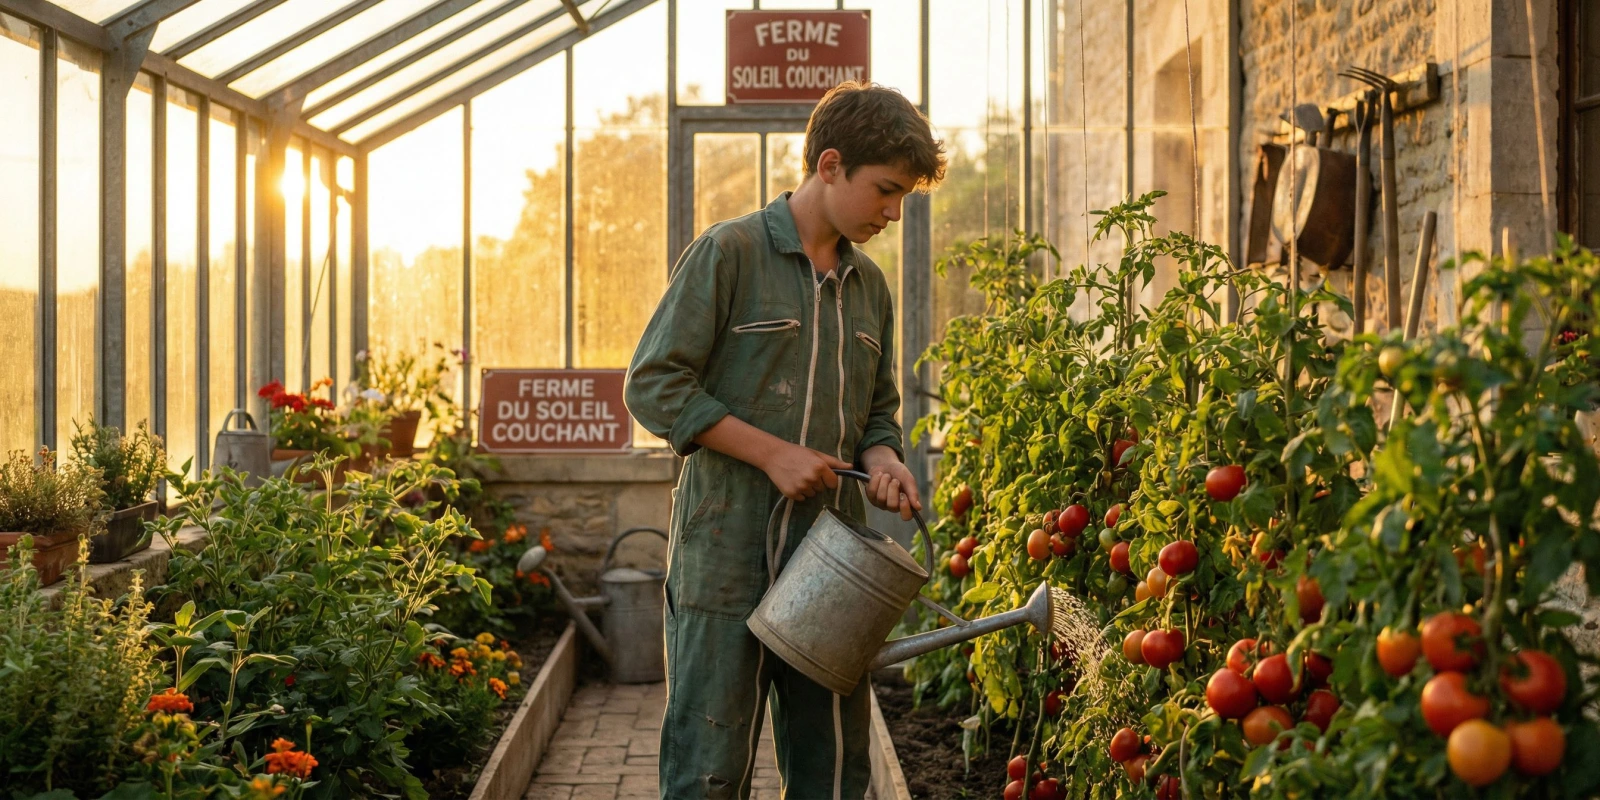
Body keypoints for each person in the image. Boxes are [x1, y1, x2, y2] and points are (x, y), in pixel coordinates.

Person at [624, 81, 946, 799]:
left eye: (903, 198)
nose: (894, 213)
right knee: (709, 769)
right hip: (724, 556)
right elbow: (653, 384)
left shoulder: (870, 288)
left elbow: (879, 412)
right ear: (830, 166)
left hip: (834, 565)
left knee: (832, 769)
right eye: (885, 190)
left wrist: (884, 460)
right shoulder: (730, 253)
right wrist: (772, 453)